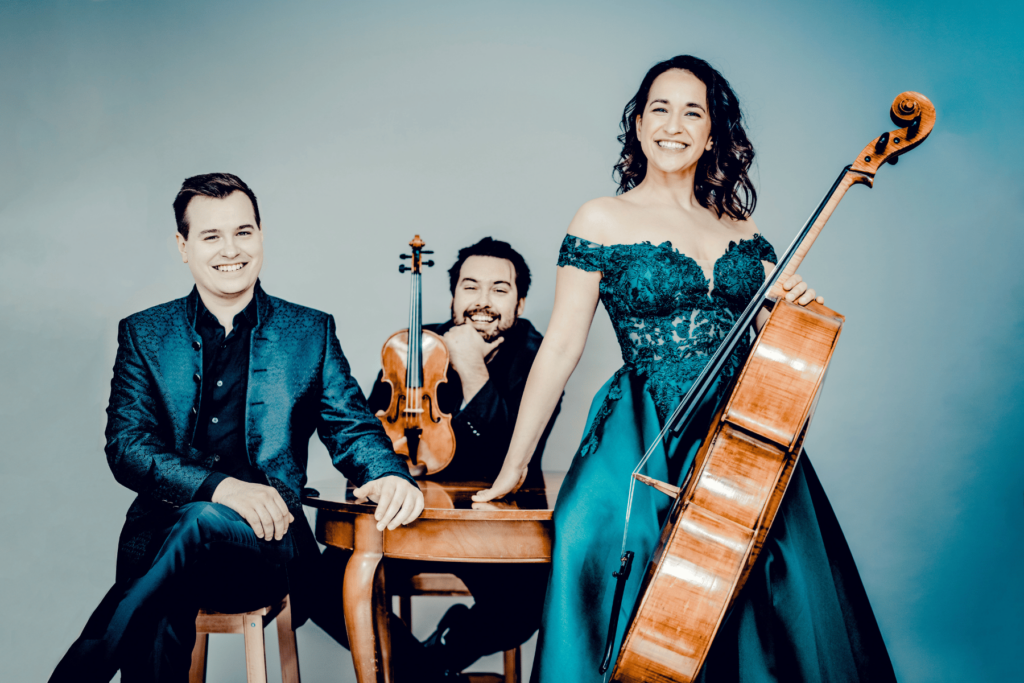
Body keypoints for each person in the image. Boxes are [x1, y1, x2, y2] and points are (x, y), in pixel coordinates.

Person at [474, 56, 897, 682]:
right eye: (660, 109)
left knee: (771, 579)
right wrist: (514, 469)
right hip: (642, 430)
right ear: (639, 124)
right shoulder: (601, 218)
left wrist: (793, 307)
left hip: (741, 436)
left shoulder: (742, 229)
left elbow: (767, 350)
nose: (674, 125)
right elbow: (561, 348)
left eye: (692, 111)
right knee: (606, 547)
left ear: (711, 131)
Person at [49, 173, 424, 683]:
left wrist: (388, 473)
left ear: (261, 236)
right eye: (211, 236)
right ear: (183, 247)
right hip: (165, 545)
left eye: (243, 232)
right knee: (174, 571)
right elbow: (128, 447)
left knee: (199, 523)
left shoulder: (309, 331)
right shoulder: (144, 334)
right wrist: (222, 488)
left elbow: (351, 424)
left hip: (268, 550)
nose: (232, 249)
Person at [314, 237, 557, 681]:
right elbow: (372, 433)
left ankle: (437, 656)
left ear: (520, 302)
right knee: (320, 582)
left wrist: (473, 369)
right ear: (452, 296)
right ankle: (419, 673)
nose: (482, 302)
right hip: (412, 518)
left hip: (492, 527)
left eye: (500, 289)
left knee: (532, 601)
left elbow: (514, 457)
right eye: (470, 287)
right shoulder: (413, 347)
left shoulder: (540, 359)